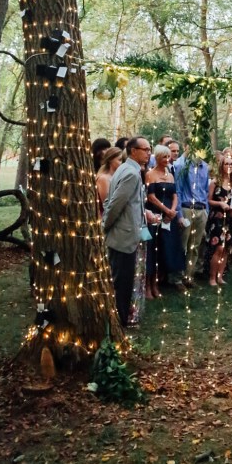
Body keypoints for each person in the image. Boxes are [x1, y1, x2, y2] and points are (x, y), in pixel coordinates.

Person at [102, 136, 158, 327]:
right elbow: (115, 204)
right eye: (146, 149)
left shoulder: (129, 169)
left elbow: (128, 203)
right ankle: (120, 322)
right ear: (133, 151)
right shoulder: (131, 173)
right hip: (122, 237)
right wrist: (105, 227)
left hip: (126, 234)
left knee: (123, 281)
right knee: (122, 284)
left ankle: (120, 319)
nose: (149, 153)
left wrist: (145, 213)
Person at [145, 144, 186, 297]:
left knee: (165, 249)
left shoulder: (170, 175)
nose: (167, 159)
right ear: (157, 158)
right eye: (164, 157)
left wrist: (173, 211)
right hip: (155, 214)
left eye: (168, 157)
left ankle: (157, 284)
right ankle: (148, 287)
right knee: (152, 249)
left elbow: (175, 194)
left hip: (170, 217)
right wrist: (166, 210)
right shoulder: (150, 174)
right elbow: (151, 197)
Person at [173, 145, 210, 284]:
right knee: (182, 245)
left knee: (195, 246)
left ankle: (189, 276)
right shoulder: (182, 165)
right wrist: (179, 214)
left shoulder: (205, 167)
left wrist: (206, 211)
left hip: (201, 209)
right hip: (187, 208)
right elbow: (178, 191)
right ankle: (177, 278)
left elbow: (206, 191)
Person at [206, 156, 232, 286]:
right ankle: (212, 277)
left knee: (226, 249)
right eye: (226, 164)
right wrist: (220, 204)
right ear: (222, 166)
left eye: (231, 164)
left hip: (231, 218)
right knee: (218, 248)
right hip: (218, 217)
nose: (229, 166)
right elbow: (209, 200)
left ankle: (220, 276)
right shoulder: (215, 182)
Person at [95, 146, 123, 215]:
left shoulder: (118, 176)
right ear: (110, 160)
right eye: (119, 160)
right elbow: (107, 203)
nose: (122, 163)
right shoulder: (103, 178)